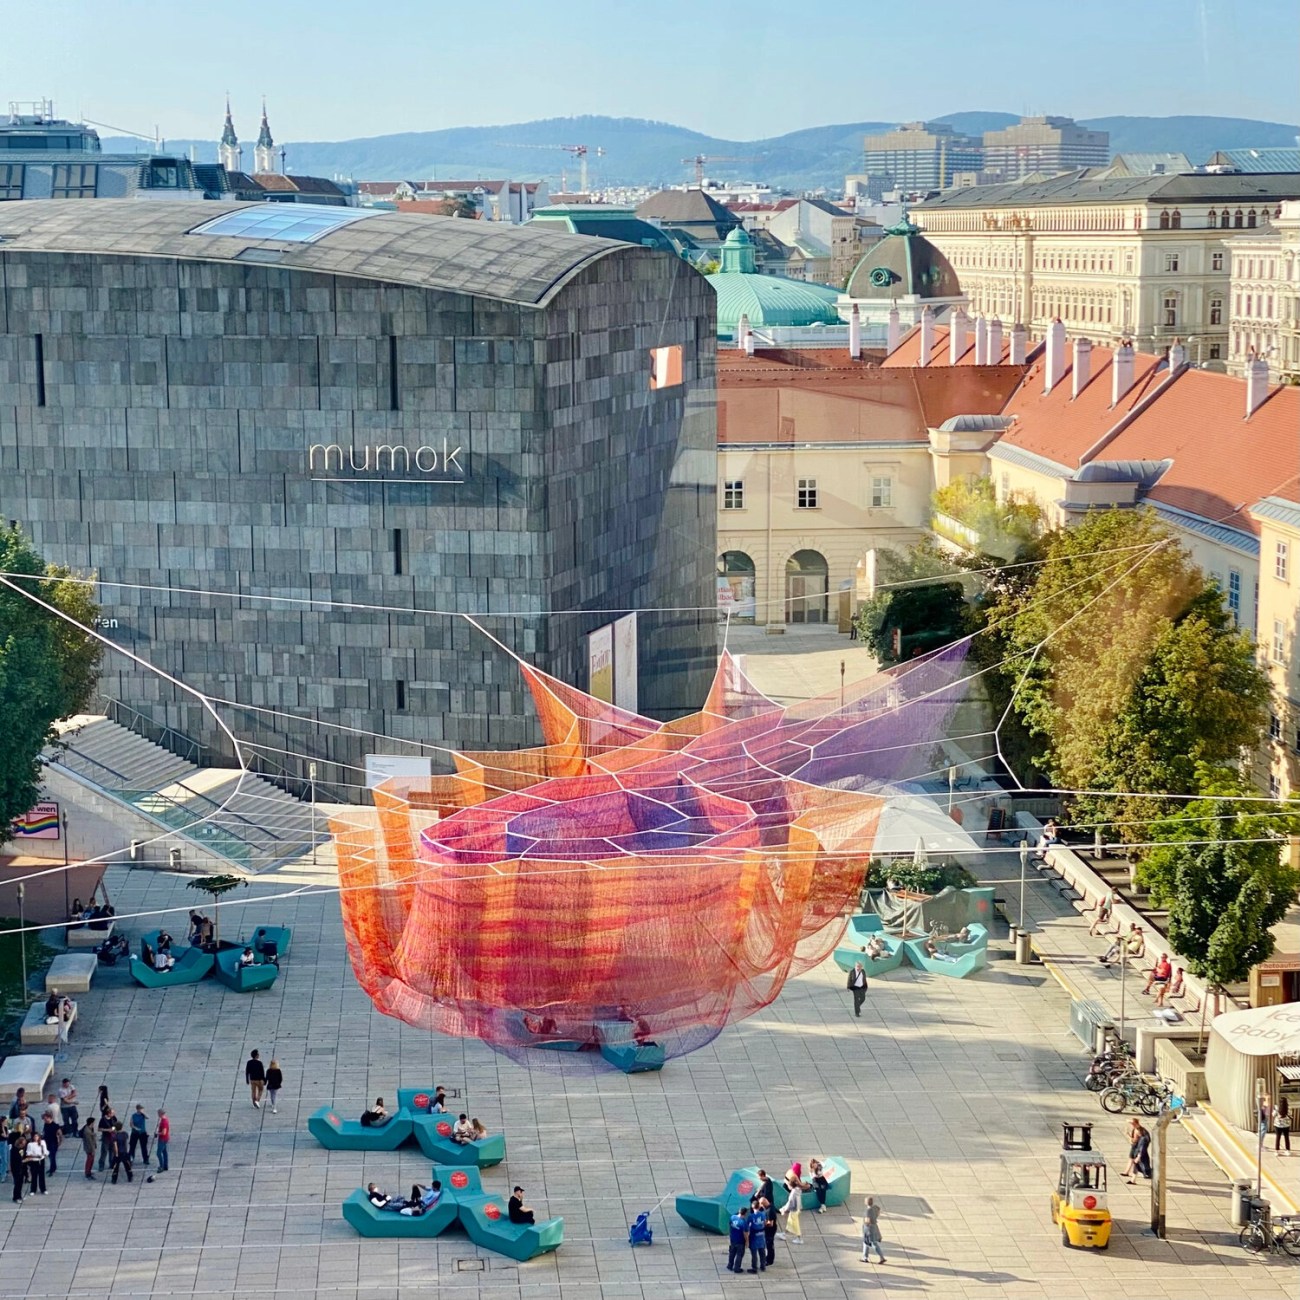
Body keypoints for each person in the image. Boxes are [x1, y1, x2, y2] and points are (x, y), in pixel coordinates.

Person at [781, 1164, 805, 1244]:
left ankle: (799, 1239)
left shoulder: (793, 1193)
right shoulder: (797, 1190)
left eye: (788, 1185)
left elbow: (790, 1203)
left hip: (794, 1209)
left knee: (795, 1224)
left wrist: (784, 1209)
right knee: (790, 1223)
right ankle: (784, 1234)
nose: (788, 1186)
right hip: (797, 1208)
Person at [861, 1195, 885, 1264]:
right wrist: (875, 1217)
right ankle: (865, 1257)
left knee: (872, 1243)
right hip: (874, 1227)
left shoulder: (867, 1211)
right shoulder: (875, 1208)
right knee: (866, 1242)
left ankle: (881, 1257)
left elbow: (867, 1221)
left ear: (866, 1202)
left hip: (869, 1229)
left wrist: (865, 1225)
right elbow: (878, 1210)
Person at [745, 1201, 767, 1273]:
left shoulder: (751, 1216)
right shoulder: (763, 1214)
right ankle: (763, 1266)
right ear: (759, 1206)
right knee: (762, 1252)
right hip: (761, 1236)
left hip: (754, 1237)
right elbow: (765, 1223)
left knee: (754, 1254)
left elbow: (747, 1226)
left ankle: (754, 1268)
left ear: (752, 1207)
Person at [24, 1130, 47, 1195]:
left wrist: (44, 1154)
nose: (36, 1137)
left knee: (41, 1175)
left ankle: (43, 1189)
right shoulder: (30, 1144)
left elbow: (45, 1150)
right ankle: (33, 1190)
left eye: (37, 1136)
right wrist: (36, 1156)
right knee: (34, 1175)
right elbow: (28, 1153)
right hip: (34, 1161)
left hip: (41, 1160)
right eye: (35, 1136)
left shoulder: (42, 1142)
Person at [726, 1204, 748, 1273]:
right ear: (745, 1214)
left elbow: (729, 1225)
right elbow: (745, 1233)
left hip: (733, 1239)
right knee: (739, 1254)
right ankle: (737, 1268)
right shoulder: (743, 1222)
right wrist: (747, 1241)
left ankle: (730, 1265)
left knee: (732, 1253)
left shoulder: (732, 1217)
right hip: (740, 1241)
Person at [41, 1109, 60, 1176]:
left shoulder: (55, 1126)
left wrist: (59, 1143)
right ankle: (53, 1167)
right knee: (50, 1157)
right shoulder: (46, 1124)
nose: (45, 1120)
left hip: (53, 1143)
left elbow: (59, 1135)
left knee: (52, 1157)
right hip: (47, 1143)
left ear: (50, 1118)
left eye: (46, 1119)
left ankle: (52, 1169)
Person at [97, 1107, 116, 1171]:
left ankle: (111, 1164)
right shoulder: (103, 1119)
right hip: (106, 1137)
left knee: (112, 1151)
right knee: (104, 1151)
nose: (113, 1114)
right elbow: (99, 1129)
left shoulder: (114, 1118)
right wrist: (107, 1130)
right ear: (109, 1113)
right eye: (112, 1113)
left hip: (112, 1136)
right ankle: (101, 1165)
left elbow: (116, 1125)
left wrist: (113, 1129)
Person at [10, 1131, 26, 1203]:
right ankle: (16, 1197)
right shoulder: (14, 1150)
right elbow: (17, 1160)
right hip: (16, 1168)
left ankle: (19, 1196)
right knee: (17, 1183)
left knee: (20, 1183)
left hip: (21, 1168)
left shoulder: (21, 1149)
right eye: (23, 1143)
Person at [80, 1115, 97, 1180]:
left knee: (91, 1160)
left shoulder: (89, 1128)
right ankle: (87, 1173)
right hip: (89, 1148)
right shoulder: (87, 1131)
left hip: (90, 1147)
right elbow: (90, 1142)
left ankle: (89, 1171)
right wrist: (93, 1150)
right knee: (89, 1160)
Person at [154, 1108, 170, 1172]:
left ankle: (162, 1166)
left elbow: (164, 1132)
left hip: (162, 1139)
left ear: (160, 1113)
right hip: (165, 1138)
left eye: (158, 1113)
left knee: (158, 1153)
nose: (157, 1114)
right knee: (164, 1152)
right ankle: (165, 1166)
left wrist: (157, 1133)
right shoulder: (165, 1119)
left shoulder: (164, 1122)